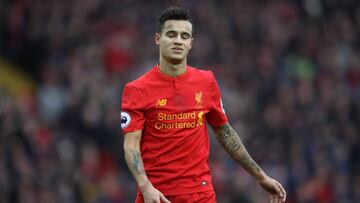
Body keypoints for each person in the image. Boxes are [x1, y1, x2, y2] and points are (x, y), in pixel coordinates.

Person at [121, 6, 287, 203]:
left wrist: (260, 176)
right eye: (171, 34)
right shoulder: (137, 89)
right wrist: (145, 186)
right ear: (158, 38)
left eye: (184, 36)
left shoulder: (206, 81)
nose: (178, 41)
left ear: (191, 44)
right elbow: (131, 147)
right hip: (156, 196)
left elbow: (224, 132)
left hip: (200, 195)